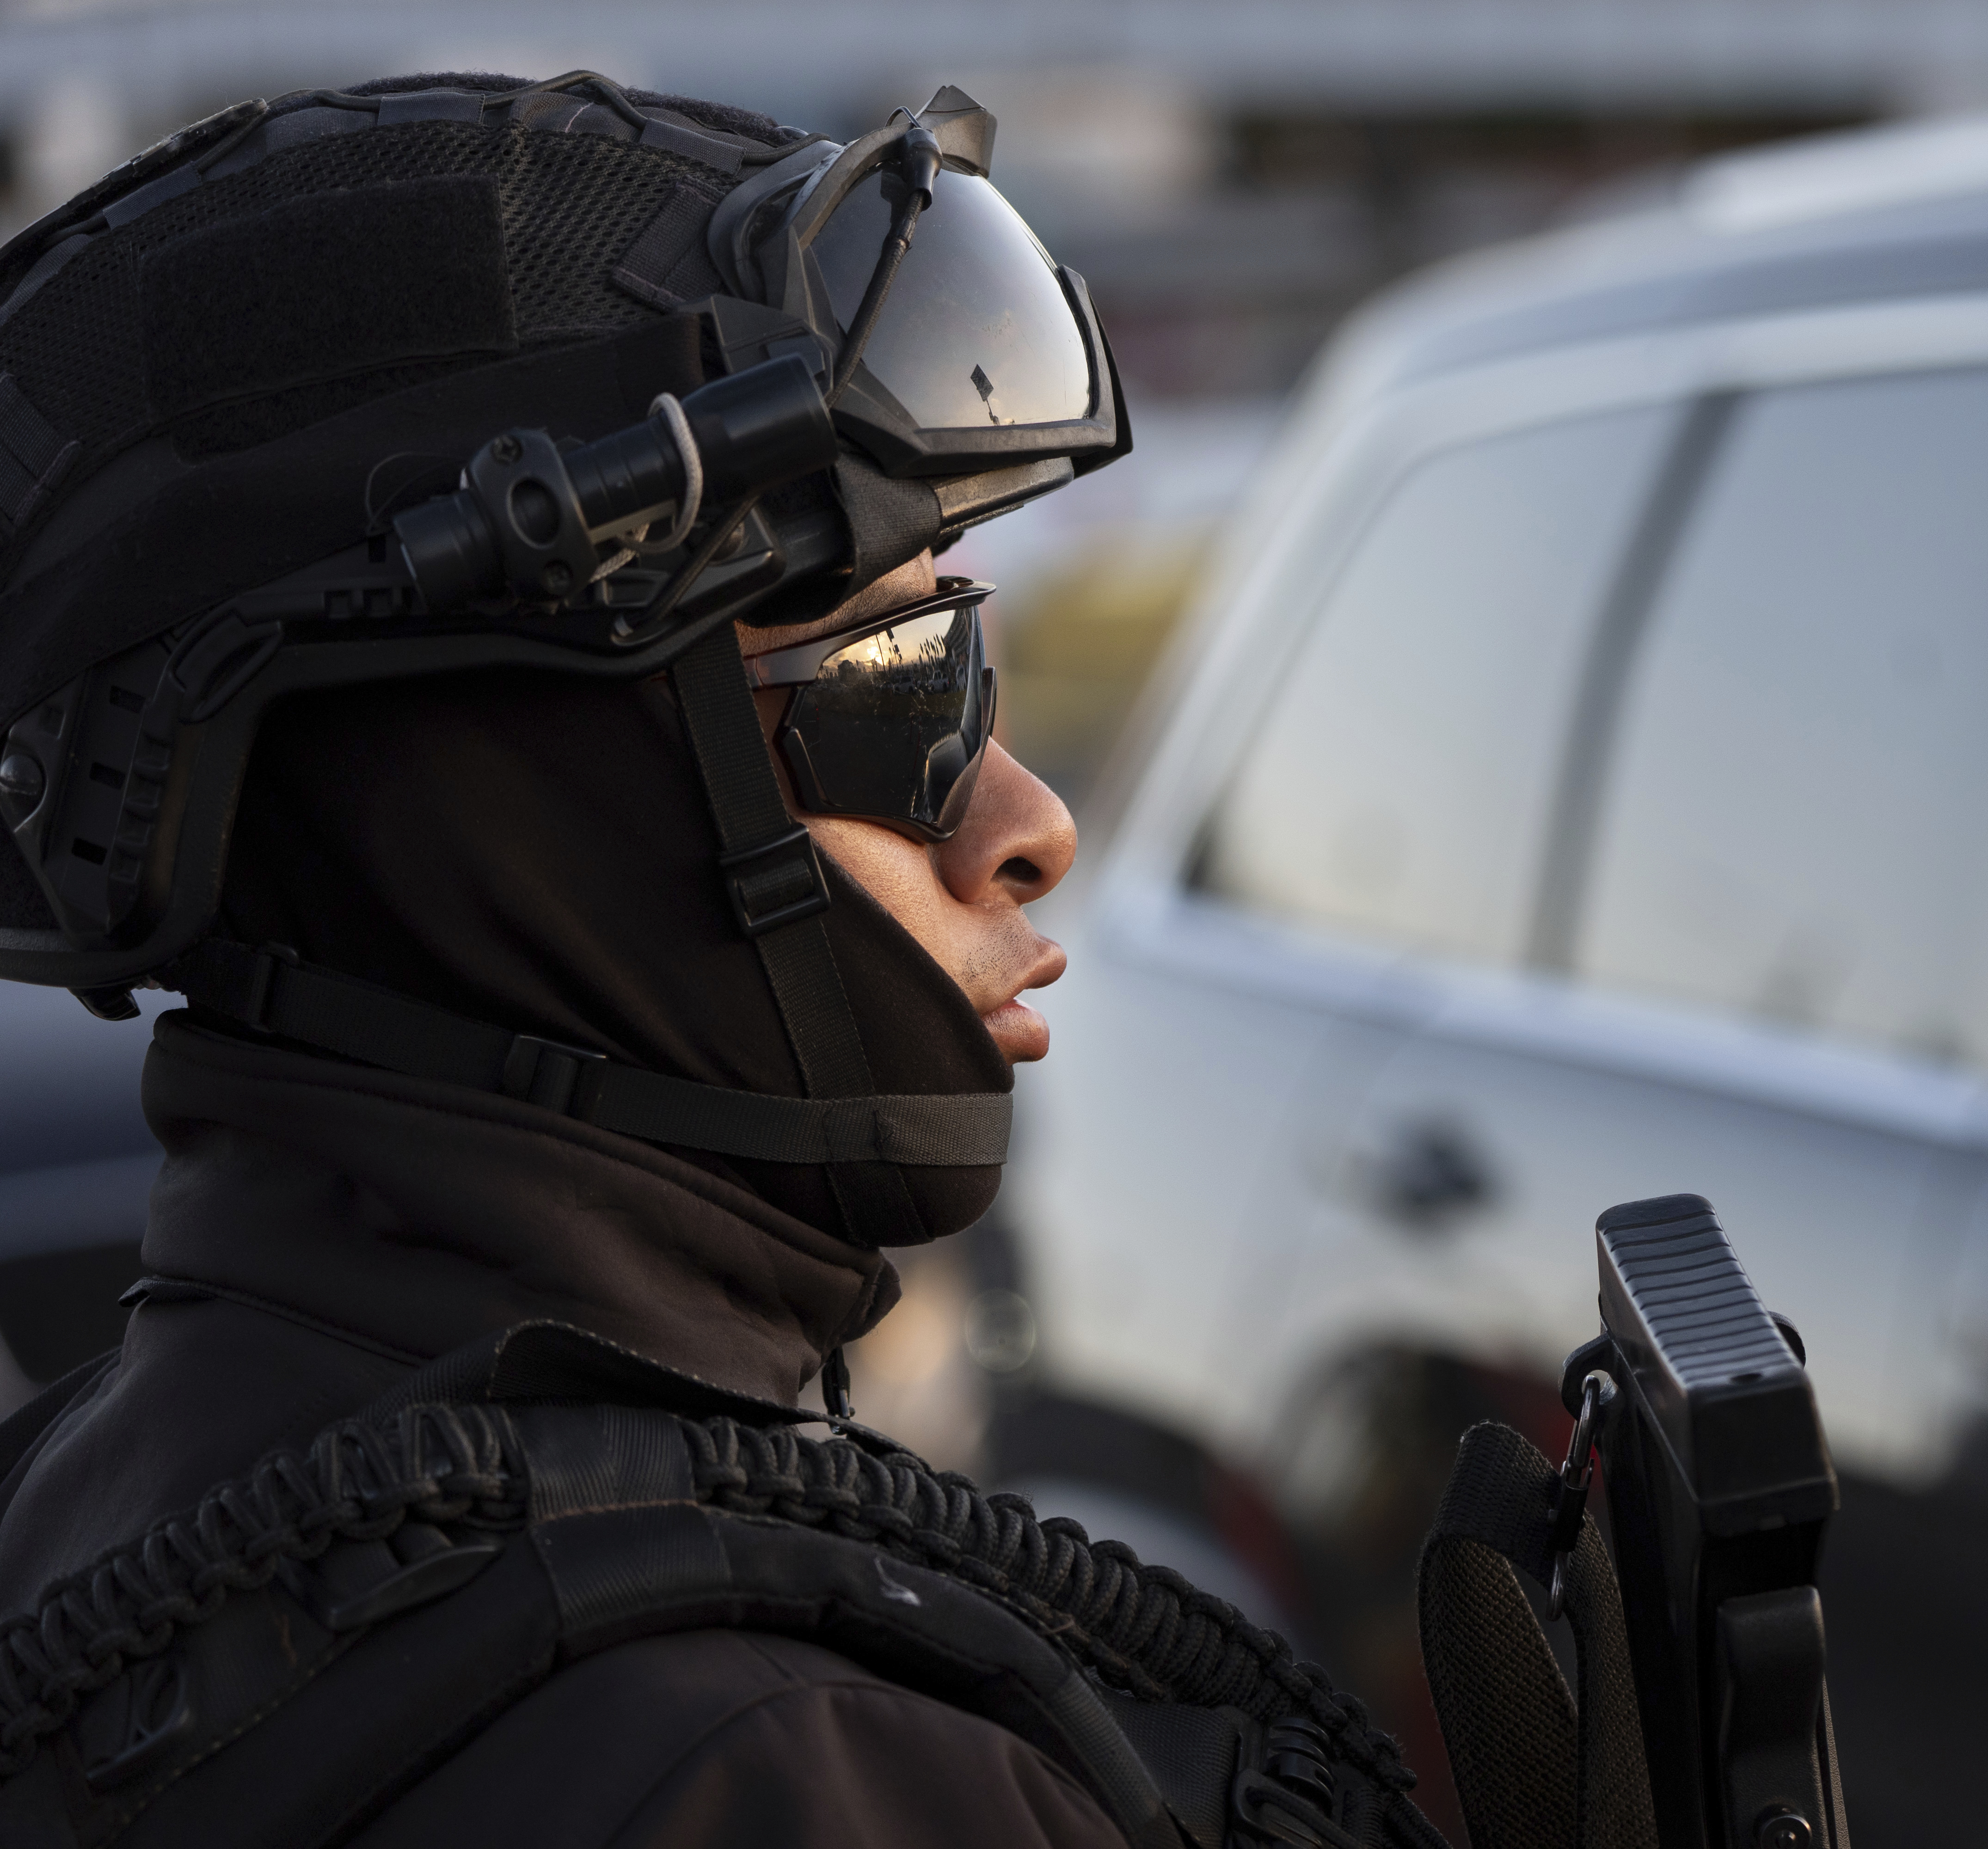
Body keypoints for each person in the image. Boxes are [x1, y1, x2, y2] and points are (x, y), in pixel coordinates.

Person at [0, 70, 1437, 1849]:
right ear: (522, 812)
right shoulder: (791, 1776)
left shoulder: (90, 1506)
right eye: (899, 693)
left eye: (966, 656)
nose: (1033, 820)